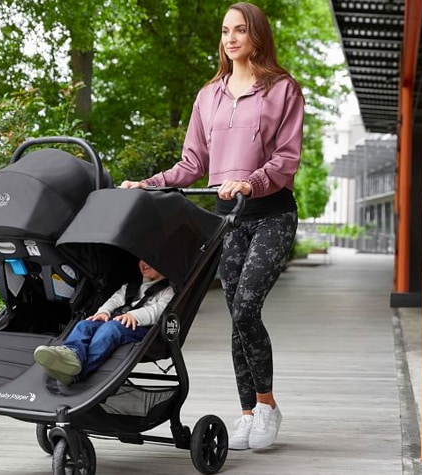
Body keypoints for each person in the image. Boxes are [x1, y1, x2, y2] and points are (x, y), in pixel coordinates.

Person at [121, 2, 303, 450]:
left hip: (271, 214)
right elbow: (193, 163)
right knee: (236, 317)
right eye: (225, 31)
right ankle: (246, 414)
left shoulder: (283, 90)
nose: (231, 38)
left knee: (245, 308)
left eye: (241, 30)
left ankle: (267, 405)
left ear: (257, 35)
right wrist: (149, 183)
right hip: (227, 220)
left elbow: (287, 158)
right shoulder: (209, 95)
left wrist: (250, 180)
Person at [34, 260, 175, 386]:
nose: (145, 263)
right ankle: (72, 354)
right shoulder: (130, 286)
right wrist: (103, 312)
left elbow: (158, 311)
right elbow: (114, 301)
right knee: (84, 325)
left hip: (141, 329)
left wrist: (134, 315)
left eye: (151, 260)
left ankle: (77, 374)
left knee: (111, 329)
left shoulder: (168, 291)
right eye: (142, 260)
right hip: (116, 321)